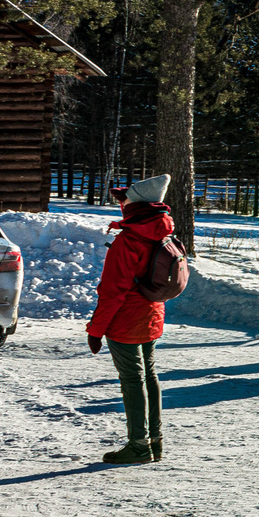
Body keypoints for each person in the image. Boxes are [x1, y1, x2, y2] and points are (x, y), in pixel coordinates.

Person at [89, 173, 176, 464]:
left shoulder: (129, 240)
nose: (121, 203)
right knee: (148, 377)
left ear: (135, 204)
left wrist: (95, 329)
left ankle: (139, 446)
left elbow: (113, 292)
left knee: (132, 380)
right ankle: (154, 442)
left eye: (124, 198)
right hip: (152, 313)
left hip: (126, 319)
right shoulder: (161, 231)